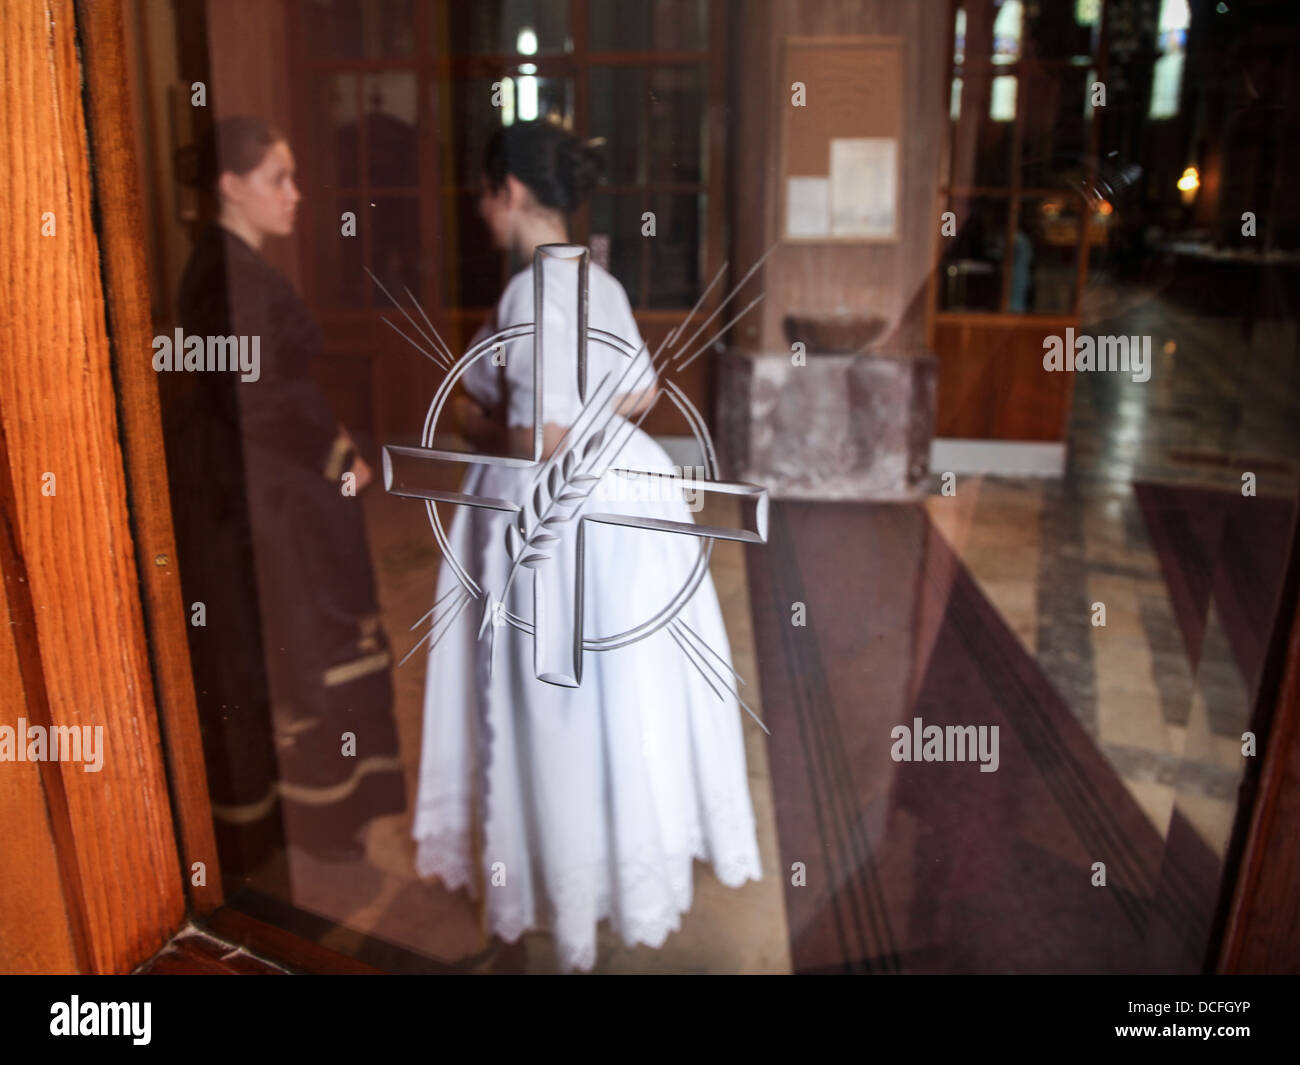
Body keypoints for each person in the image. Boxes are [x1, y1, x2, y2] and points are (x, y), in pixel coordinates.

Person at [412, 119, 762, 971]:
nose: (480, 207)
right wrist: (579, 418)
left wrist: (494, 418)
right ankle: (615, 860)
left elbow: (540, 434)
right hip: (629, 497)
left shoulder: (528, 294)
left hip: (557, 521)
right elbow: (639, 392)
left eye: (486, 192)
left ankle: (561, 877)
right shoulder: (594, 281)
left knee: (555, 701)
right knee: (625, 692)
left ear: (514, 193)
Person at [171, 115, 406, 866]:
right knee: (308, 639)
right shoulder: (228, 274)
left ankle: (317, 817)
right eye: (280, 178)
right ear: (231, 187)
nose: (296, 194)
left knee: (294, 642)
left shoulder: (222, 263)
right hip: (269, 498)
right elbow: (256, 398)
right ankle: (325, 819)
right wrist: (340, 455)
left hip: (263, 485)